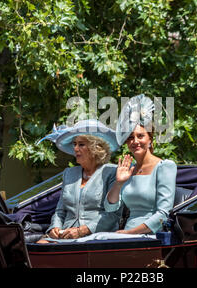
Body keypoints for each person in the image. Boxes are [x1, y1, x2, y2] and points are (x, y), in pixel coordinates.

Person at [36, 119, 121, 243]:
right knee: (38, 247)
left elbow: (113, 216)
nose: (75, 148)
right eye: (74, 144)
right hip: (65, 234)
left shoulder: (111, 172)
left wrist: (82, 230)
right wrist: (55, 227)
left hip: (97, 236)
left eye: (81, 144)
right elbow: (60, 210)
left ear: (95, 148)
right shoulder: (69, 173)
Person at [104, 94, 177, 235]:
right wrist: (118, 184)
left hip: (150, 235)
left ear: (150, 139)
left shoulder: (165, 167)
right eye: (130, 137)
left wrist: (131, 233)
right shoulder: (128, 170)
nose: (135, 141)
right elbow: (110, 208)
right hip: (125, 234)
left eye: (140, 136)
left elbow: (163, 214)